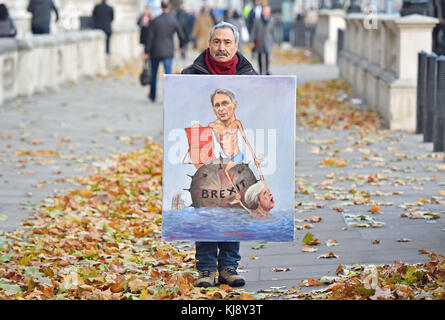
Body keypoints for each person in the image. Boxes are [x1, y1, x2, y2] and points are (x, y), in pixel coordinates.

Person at [182, 21, 257, 289]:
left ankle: (228, 266)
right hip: (205, 159)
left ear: (236, 46)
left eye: (227, 42)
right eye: (217, 42)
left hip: (235, 161)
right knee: (206, 207)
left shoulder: (251, 77)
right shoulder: (189, 74)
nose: (221, 47)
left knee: (232, 207)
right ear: (209, 44)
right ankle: (205, 269)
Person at [208, 88, 264, 205]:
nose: (221, 109)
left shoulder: (236, 124)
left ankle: (239, 196)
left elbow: (246, 140)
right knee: (222, 173)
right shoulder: (213, 126)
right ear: (214, 109)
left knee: (227, 171)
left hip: (237, 156)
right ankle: (236, 196)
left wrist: (255, 158)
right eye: (217, 105)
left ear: (234, 105)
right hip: (226, 158)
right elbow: (210, 146)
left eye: (225, 103)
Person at [145, 1, 185, 102]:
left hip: (155, 50)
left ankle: (153, 95)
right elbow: (181, 35)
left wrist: (147, 51)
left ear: (161, 7)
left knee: (154, 74)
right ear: (169, 7)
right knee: (168, 75)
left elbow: (149, 37)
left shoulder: (155, 20)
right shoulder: (173, 20)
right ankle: (168, 97)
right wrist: (181, 46)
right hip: (168, 50)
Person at [251, 5, 274, 75]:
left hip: (268, 41)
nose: (266, 13)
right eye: (264, 11)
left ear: (269, 12)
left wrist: (274, 41)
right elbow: (253, 31)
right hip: (259, 41)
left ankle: (267, 70)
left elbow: (273, 31)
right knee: (259, 56)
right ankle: (260, 71)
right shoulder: (257, 20)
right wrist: (252, 41)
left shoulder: (271, 20)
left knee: (267, 56)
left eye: (267, 11)